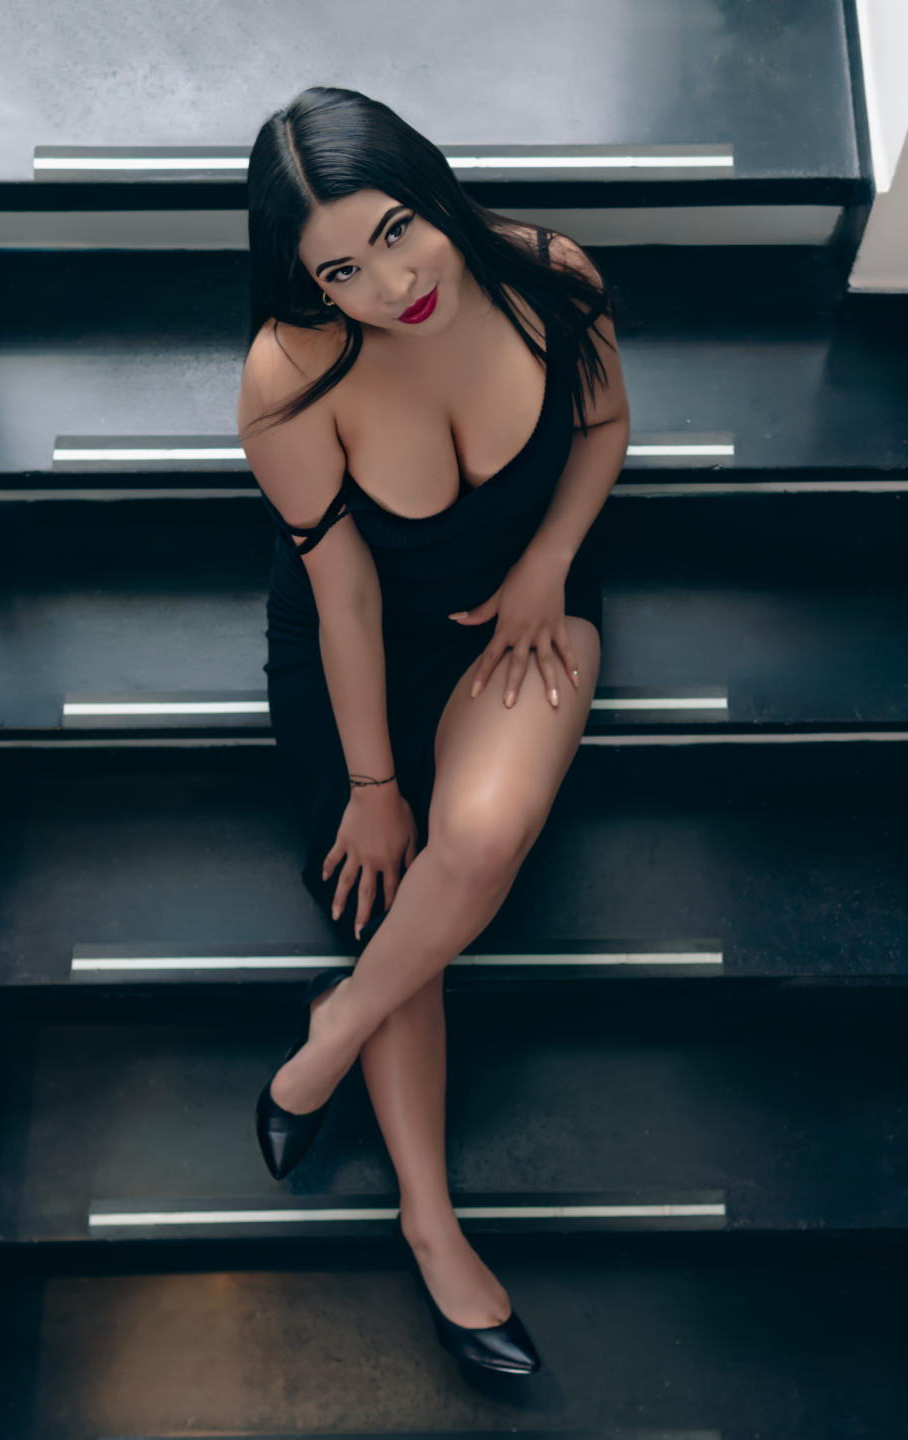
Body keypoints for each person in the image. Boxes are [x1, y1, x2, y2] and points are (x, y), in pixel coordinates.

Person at [237, 84, 630, 1375]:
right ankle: (428, 1222)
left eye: (398, 230)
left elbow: (604, 427)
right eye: (340, 270)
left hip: (524, 611)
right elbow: (342, 594)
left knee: (485, 835)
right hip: (356, 650)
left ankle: (330, 1036)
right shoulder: (291, 374)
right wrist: (372, 783)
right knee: (396, 881)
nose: (390, 283)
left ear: (432, 188)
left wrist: (549, 561)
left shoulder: (550, 278)